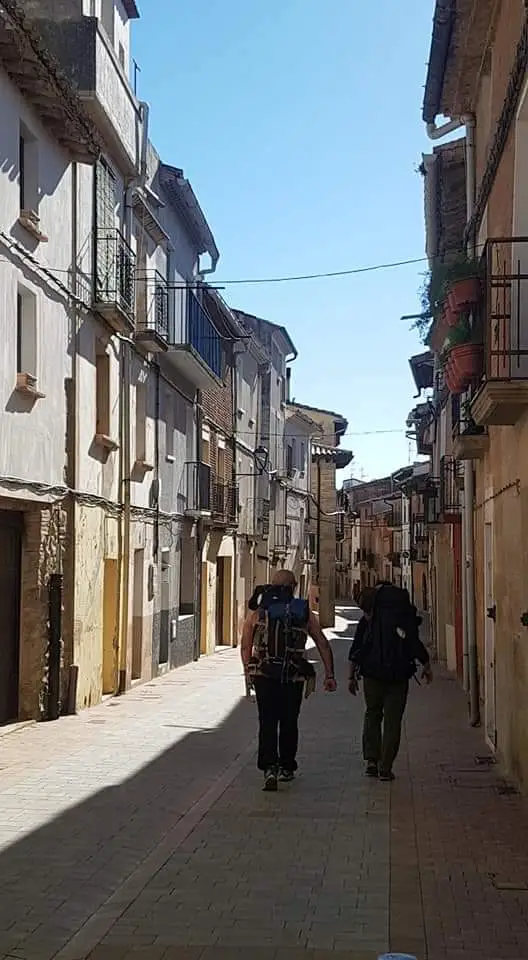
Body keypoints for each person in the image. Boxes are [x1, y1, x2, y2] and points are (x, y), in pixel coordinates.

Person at [240, 569, 337, 792]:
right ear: (294, 587)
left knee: (267, 722)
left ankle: (269, 768)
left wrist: (248, 671)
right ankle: (286, 766)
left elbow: (245, 644)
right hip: (294, 676)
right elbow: (322, 642)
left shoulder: (259, 611)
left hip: (264, 675)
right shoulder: (302, 610)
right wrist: (329, 674)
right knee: (289, 721)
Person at [349, 583, 432, 781]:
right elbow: (413, 642)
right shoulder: (403, 617)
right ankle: (385, 768)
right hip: (399, 676)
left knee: (372, 714)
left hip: (372, 675)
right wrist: (426, 664)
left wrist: (351, 676)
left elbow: (357, 648)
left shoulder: (368, 619)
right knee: (393, 722)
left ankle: (371, 761)